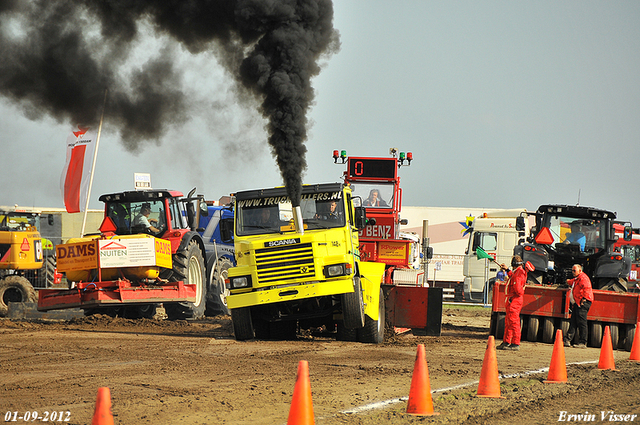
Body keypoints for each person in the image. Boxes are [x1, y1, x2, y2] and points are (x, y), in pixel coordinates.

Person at [497, 256, 534, 351]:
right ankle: (507, 341)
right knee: (509, 321)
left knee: (513, 322)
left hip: (514, 299)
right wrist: (507, 270)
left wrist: (512, 297)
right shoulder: (518, 272)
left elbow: (518, 289)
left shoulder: (519, 273)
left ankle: (515, 342)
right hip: (513, 299)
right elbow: (513, 278)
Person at [563, 264, 594, 348]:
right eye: (572, 270)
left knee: (581, 322)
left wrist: (584, 299)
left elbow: (587, 288)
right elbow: (572, 282)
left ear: (580, 270)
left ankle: (583, 342)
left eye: (574, 271)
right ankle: (567, 339)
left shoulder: (583, 278)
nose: (573, 272)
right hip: (578, 302)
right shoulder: (578, 278)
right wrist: (567, 281)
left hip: (583, 302)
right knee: (573, 321)